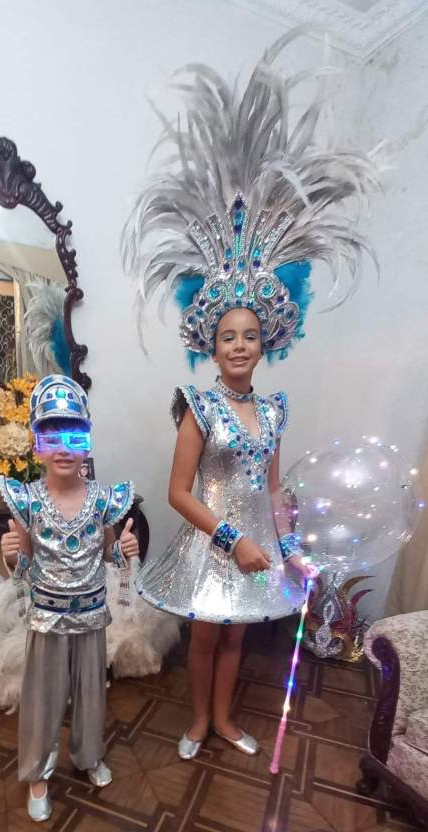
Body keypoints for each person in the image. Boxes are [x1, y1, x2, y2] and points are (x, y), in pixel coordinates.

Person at [122, 33, 379, 760]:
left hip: (256, 545)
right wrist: (228, 538)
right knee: (205, 634)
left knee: (237, 635)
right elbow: (178, 492)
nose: (239, 346)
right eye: (227, 336)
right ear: (211, 344)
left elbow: (271, 487)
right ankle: (197, 721)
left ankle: (226, 719)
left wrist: (287, 545)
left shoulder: (272, 410)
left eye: (250, 336)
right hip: (213, 543)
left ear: (266, 342)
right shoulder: (198, 405)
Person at [0, 374, 138, 821]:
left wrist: (124, 549)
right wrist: (11, 554)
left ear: (87, 442)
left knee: (91, 691)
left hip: (92, 613)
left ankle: (88, 754)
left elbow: (109, 553)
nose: (63, 448)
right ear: (37, 444)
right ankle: (37, 773)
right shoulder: (27, 501)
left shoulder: (103, 500)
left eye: (74, 436)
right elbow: (23, 565)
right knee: (43, 697)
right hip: (47, 615)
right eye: (51, 436)